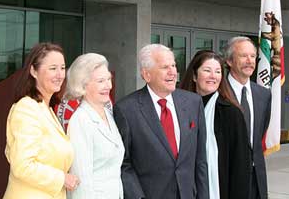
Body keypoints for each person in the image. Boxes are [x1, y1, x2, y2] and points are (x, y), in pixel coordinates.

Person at [113, 44, 209, 199]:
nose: (173, 72)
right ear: (147, 74)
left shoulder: (193, 102)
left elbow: (201, 160)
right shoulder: (126, 110)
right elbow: (123, 163)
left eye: (173, 65)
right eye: (165, 67)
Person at [3, 42, 80, 199]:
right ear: (33, 71)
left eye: (63, 68)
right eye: (53, 68)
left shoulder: (47, 109)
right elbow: (23, 166)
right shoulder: (26, 108)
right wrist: (62, 178)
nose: (60, 74)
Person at [180, 50, 251, 199]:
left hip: (220, 190)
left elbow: (241, 166)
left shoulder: (231, 113)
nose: (213, 76)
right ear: (194, 75)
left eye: (218, 72)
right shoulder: (178, 107)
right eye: (207, 70)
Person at [65, 53, 125, 199]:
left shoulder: (108, 113)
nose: (108, 86)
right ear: (83, 85)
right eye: (100, 81)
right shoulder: (80, 120)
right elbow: (80, 179)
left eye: (109, 79)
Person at [225, 36, 272, 199]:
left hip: (256, 179)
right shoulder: (218, 93)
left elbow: (259, 132)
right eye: (243, 56)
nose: (249, 61)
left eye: (253, 56)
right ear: (229, 61)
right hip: (228, 179)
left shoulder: (263, 94)